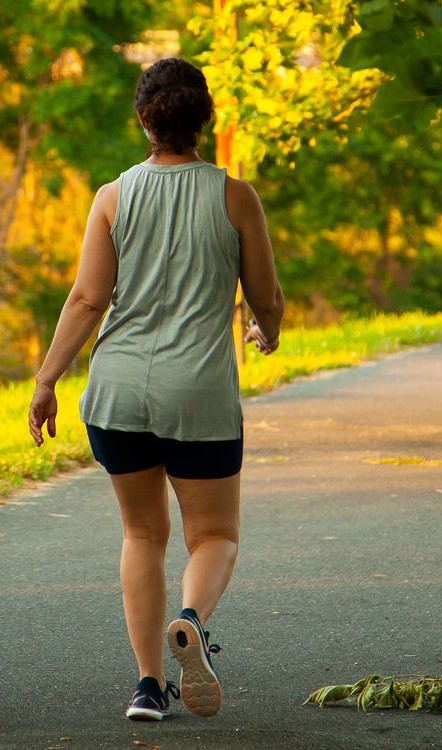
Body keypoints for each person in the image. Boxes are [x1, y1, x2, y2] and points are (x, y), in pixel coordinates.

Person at [27, 57, 285, 721]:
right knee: (215, 535)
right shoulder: (235, 197)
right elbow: (266, 297)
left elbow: (88, 299)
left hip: (118, 391)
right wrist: (267, 331)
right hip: (197, 393)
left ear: (144, 119)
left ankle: (147, 687)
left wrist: (47, 379)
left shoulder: (112, 197)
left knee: (141, 535)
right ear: (205, 118)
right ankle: (190, 621)